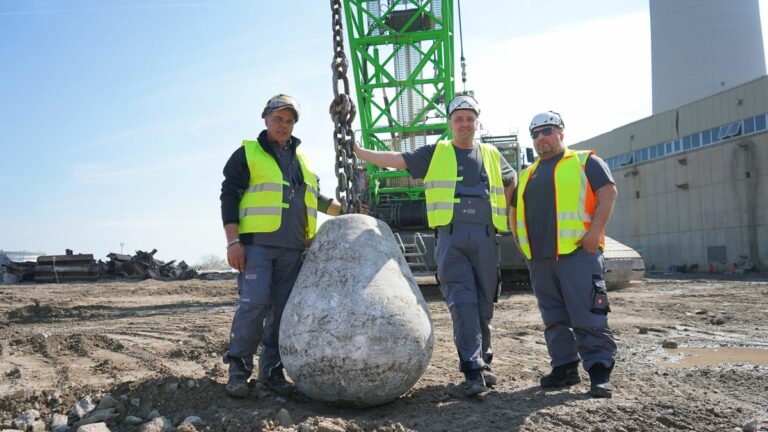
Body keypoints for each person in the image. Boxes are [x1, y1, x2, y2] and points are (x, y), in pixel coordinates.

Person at [353, 95, 517, 396]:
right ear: (450, 123)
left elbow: (511, 180)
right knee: (463, 303)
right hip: (451, 238)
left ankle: (484, 361)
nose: (465, 124)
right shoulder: (436, 153)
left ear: (476, 122)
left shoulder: (492, 155)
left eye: (470, 118)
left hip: (484, 238)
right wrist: (359, 152)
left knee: (483, 305)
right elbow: (397, 160)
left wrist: (502, 213)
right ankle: (472, 368)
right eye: (459, 119)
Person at [219, 94, 343, 398]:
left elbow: (315, 198)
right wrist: (233, 241)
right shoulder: (247, 154)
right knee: (255, 305)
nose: (284, 125)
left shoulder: (302, 160)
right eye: (278, 119)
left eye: (289, 121)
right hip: (257, 247)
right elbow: (229, 196)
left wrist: (348, 209)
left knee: (282, 312)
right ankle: (238, 370)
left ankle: (272, 373)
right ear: (266, 118)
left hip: (292, 249)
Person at [511, 111, 618, 398]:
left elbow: (608, 193)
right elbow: (513, 211)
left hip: (577, 254)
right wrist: (522, 244)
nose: (541, 138)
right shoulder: (527, 174)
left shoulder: (586, 162)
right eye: (535, 134)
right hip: (541, 259)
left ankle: (599, 372)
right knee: (554, 318)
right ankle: (565, 368)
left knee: (588, 314)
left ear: (561, 133)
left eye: (547, 131)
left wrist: (595, 233)